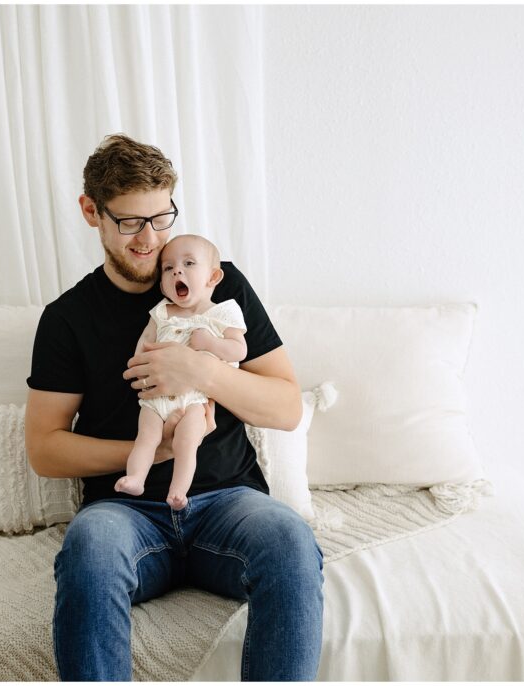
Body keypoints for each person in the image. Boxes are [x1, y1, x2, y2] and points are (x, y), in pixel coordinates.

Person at [25, 133, 324, 681]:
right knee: (88, 548)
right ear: (91, 212)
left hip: (229, 502)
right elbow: (44, 448)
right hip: (127, 512)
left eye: (161, 218)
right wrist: (154, 450)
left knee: (289, 541)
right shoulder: (68, 318)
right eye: (130, 222)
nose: (152, 239)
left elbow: (285, 408)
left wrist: (202, 371)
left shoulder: (220, 284)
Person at [114, 234, 248, 511]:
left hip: (195, 402)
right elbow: (145, 340)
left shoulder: (223, 313)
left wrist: (210, 344)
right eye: (168, 268)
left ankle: (178, 492)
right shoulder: (162, 312)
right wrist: (140, 364)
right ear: (163, 283)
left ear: (212, 277)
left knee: (187, 442)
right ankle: (136, 477)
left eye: (189, 263)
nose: (177, 270)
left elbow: (239, 351)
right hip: (155, 397)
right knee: (146, 438)